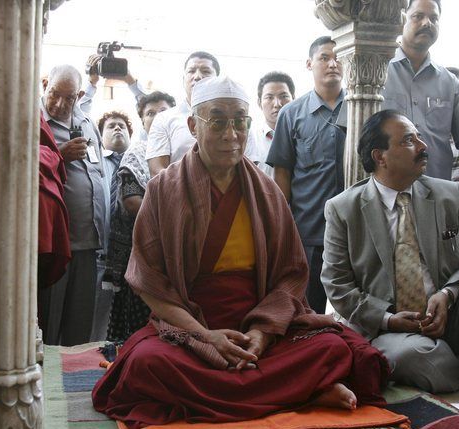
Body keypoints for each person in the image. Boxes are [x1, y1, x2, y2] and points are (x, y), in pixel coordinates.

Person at [92, 76, 388, 428]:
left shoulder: (266, 191)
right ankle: (301, 392)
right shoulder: (162, 191)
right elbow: (149, 283)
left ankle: (264, 388)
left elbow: (290, 277)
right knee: (146, 364)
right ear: (193, 125)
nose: (231, 133)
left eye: (240, 121)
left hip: (257, 319)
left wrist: (261, 334)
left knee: (334, 347)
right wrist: (206, 336)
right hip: (191, 321)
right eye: (217, 120)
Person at [322, 109, 459, 400]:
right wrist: (389, 319)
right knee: (407, 354)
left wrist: (448, 294)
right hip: (392, 331)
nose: (423, 146)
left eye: (419, 136)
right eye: (408, 140)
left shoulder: (450, 195)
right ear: (380, 156)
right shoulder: (343, 209)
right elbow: (337, 286)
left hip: (453, 316)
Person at [0, 87, 71, 370]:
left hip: (18, 221)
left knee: (15, 302)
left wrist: (27, 157)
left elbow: (50, 155)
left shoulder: (24, 103)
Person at [266, 36, 346, 313]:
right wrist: (281, 227)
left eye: (338, 57)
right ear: (310, 63)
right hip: (310, 232)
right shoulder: (291, 114)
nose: (333, 64)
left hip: (356, 231)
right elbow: (283, 174)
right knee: (310, 310)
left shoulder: (364, 106)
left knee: (353, 311)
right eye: (324, 57)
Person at [38, 64, 109, 346]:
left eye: (69, 98)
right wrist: (59, 154)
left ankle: (70, 388)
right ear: (45, 84)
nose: (60, 104)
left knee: (79, 329)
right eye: (55, 94)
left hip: (88, 243)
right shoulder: (33, 119)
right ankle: (43, 386)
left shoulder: (86, 122)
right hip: (55, 244)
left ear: (78, 96)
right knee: (48, 326)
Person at [381, 0, 459, 180]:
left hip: (436, 194)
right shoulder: (377, 72)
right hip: (385, 191)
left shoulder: (450, 83)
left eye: (434, 18)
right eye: (418, 16)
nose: (426, 23)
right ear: (402, 20)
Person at [104, 91, 175, 344]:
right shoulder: (137, 153)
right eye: (149, 113)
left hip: (178, 253)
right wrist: (174, 214)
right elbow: (131, 200)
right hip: (145, 251)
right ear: (142, 120)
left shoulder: (183, 149)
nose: (156, 118)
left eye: (163, 112)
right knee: (141, 328)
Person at [92, 111, 134, 341]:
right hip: (98, 259)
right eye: (111, 126)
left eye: (122, 126)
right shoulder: (94, 161)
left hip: (130, 263)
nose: (117, 129)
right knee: (94, 327)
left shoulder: (138, 163)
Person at [146, 51, 220, 176]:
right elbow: (157, 171)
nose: (197, 76)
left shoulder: (235, 118)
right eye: (191, 71)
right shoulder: (164, 119)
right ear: (183, 79)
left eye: (206, 71)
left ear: (218, 80)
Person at [245, 71, 295, 176]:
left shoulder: (304, 135)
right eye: (269, 97)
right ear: (259, 103)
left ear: (294, 99)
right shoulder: (249, 138)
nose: (277, 104)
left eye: (283, 96)